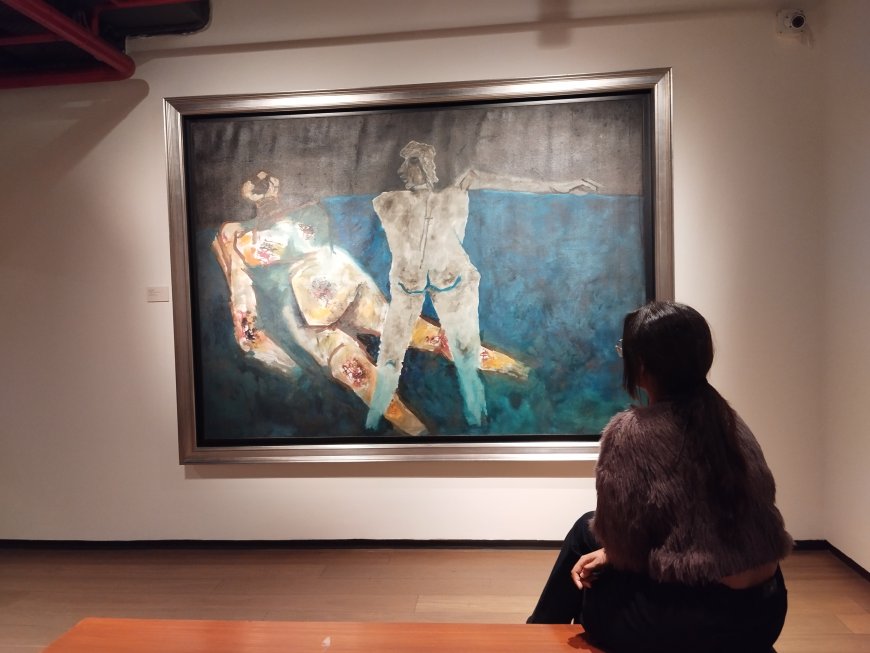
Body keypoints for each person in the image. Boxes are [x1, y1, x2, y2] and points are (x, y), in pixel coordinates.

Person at [527, 301, 792, 653]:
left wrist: (609, 555)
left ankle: (534, 638)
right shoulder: (729, 420)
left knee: (589, 577)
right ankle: (536, 634)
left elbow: (625, 544)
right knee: (585, 531)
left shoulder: (631, 432)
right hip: (766, 612)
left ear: (640, 364)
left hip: (702, 625)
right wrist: (609, 553)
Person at [212, 170, 530, 436]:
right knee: (362, 378)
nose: (262, 186)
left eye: (267, 179)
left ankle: (518, 370)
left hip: (349, 289)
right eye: (254, 182)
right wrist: (281, 361)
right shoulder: (234, 239)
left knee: (427, 337)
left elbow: (300, 242)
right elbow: (244, 313)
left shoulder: (305, 211)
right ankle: (421, 438)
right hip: (310, 323)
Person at [366, 140, 600, 430]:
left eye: (411, 162)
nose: (403, 170)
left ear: (425, 166)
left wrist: (561, 186)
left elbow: (498, 180)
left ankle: (477, 419)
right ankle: (373, 421)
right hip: (407, 287)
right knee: (389, 357)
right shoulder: (388, 202)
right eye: (403, 163)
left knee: (466, 354)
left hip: (454, 283)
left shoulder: (452, 196)